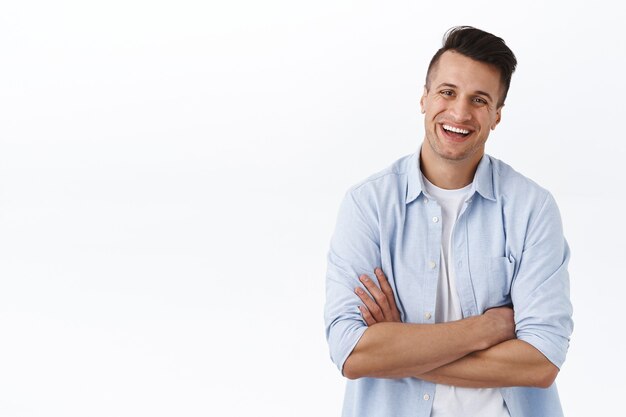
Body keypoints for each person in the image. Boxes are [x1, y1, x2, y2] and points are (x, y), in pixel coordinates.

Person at [324, 26, 573, 417]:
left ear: (496, 116)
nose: (459, 113)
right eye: (447, 92)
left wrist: (399, 350)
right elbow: (352, 352)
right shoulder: (367, 205)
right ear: (424, 98)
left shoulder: (532, 208)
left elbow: (541, 362)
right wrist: (486, 329)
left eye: (479, 100)